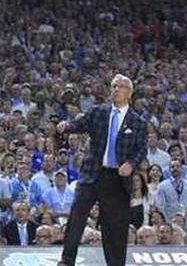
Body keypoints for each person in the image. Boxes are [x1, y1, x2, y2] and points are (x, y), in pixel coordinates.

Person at [57, 74, 146, 266]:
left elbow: (141, 149)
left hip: (116, 178)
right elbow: (80, 124)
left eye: (120, 87)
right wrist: (66, 126)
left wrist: (130, 164)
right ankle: (66, 261)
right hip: (92, 173)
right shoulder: (98, 112)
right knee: (77, 216)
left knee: (114, 226)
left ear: (129, 93)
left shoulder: (137, 122)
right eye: (113, 86)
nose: (115, 89)